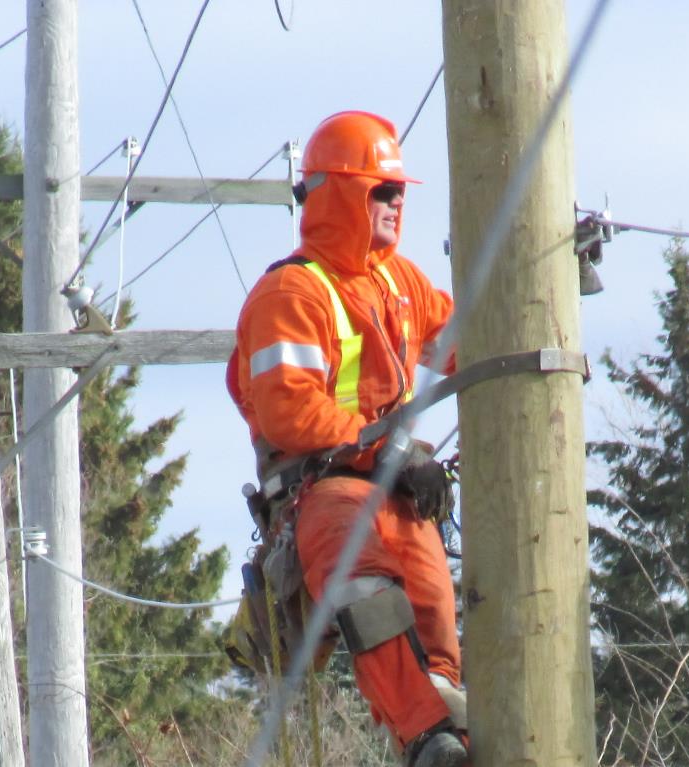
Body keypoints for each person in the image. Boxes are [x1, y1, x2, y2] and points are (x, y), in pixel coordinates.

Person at [225, 110, 467, 767]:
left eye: (398, 191)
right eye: (378, 190)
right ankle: (427, 739)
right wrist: (391, 453)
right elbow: (291, 413)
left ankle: (453, 737)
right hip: (321, 490)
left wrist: (535, 318)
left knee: (434, 622)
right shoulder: (292, 292)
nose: (394, 203)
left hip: (393, 490)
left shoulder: (399, 283)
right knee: (363, 579)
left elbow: (463, 342)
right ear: (336, 193)